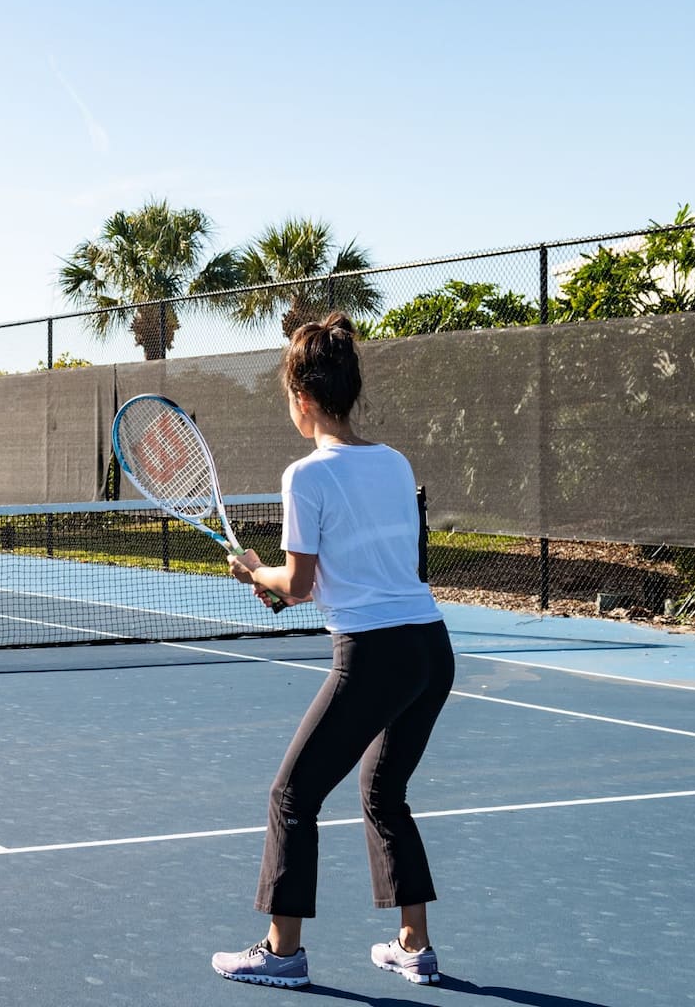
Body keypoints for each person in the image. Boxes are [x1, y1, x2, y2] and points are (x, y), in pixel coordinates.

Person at [209, 313, 452, 989]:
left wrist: (258, 576)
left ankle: (282, 952)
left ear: (304, 399)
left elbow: (303, 581)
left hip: (373, 655)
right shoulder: (394, 463)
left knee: (293, 794)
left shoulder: (306, 476)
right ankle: (414, 946)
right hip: (431, 649)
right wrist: (281, 589)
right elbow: (354, 575)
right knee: (384, 791)